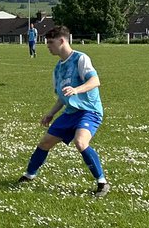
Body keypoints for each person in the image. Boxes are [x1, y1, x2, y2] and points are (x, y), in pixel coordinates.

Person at [16, 26, 110, 198]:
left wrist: (77, 89)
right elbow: (62, 97)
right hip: (70, 113)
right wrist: (51, 113)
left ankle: (102, 182)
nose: (48, 47)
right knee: (45, 142)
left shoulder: (80, 59)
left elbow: (95, 81)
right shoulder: (57, 69)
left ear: (62, 41)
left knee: (80, 142)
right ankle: (29, 175)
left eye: (50, 43)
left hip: (89, 111)